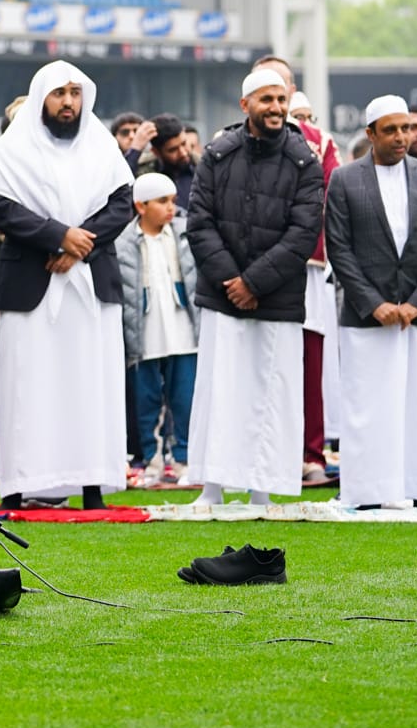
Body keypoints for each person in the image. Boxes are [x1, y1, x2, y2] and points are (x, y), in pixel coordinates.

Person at [0, 61, 133, 509]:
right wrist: (58, 235)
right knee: (27, 388)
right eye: (58, 93)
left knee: (91, 385)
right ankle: (19, 487)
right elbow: (3, 209)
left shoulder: (102, 146)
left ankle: (92, 487)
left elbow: (121, 204)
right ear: (41, 97)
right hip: (31, 285)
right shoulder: (10, 150)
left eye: (74, 92)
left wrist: (79, 244)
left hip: (90, 284)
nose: (68, 102)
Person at [185, 68, 324, 508]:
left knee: (270, 394)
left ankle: (262, 491)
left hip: (276, 299)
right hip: (224, 296)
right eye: (267, 100)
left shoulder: (305, 162)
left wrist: (254, 282)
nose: (277, 109)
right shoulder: (218, 154)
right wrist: (233, 281)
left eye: (282, 100)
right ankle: (212, 489)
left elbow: (303, 234)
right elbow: (199, 223)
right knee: (219, 390)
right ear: (245, 105)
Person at [325, 97, 417, 509]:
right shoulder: (345, 179)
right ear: (370, 134)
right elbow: (339, 248)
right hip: (368, 316)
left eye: (405, 128)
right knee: (368, 406)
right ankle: (368, 492)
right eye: (391, 130)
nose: (402, 137)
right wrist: (374, 303)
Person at [256, 56, 341, 487]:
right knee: (257, 363)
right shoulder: (229, 141)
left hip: (306, 267)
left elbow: (328, 200)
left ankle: (310, 454)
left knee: (309, 362)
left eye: (283, 86)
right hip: (249, 270)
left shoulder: (319, 142)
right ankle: (256, 454)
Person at [116, 172, 198, 483]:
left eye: (174, 201)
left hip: (182, 327)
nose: (171, 208)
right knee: (147, 397)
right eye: (162, 201)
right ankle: (150, 459)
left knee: (184, 396)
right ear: (141, 206)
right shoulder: (123, 240)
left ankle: (182, 460)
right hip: (145, 329)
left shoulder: (185, 232)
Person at [143, 116, 194, 209]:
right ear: (156, 152)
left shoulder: (206, 167)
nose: (183, 153)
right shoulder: (146, 173)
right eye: (173, 150)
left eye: (184, 143)